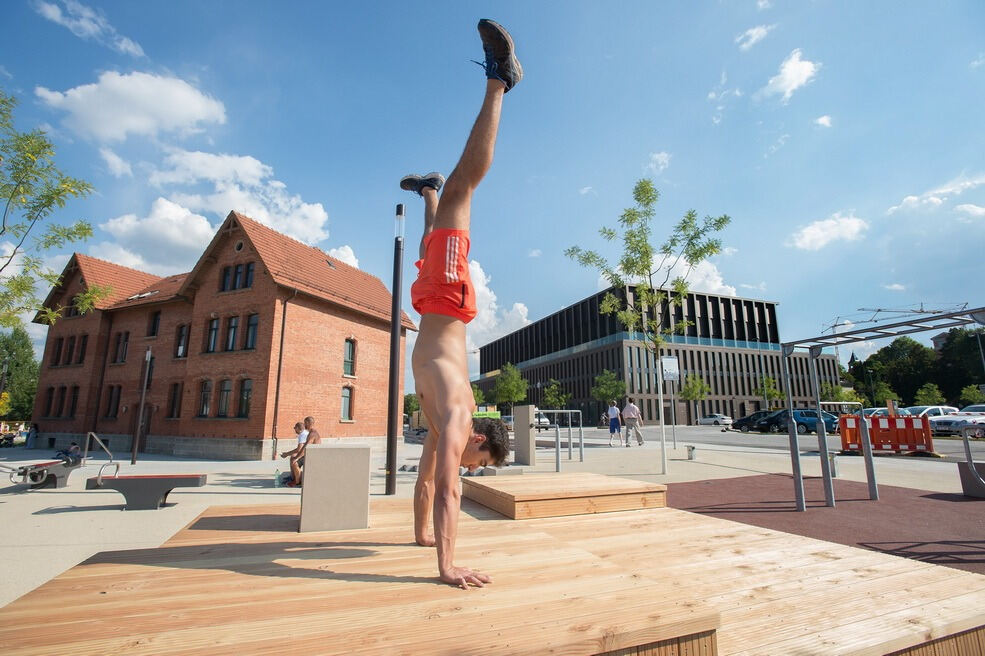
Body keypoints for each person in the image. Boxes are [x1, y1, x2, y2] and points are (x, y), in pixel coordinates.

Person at [403, 18, 518, 590]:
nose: (472, 472)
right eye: (481, 464)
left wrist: (424, 537)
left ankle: (427, 187)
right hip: (448, 300)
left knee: (433, 225)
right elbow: (450, 488)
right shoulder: (458, 416)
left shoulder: (437, 424)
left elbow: (427, 484)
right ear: (478, 442)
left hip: (432, 301)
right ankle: (501, 80)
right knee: (461, 192)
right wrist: (447, 566)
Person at [279, 416, 321, 487]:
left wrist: (297, 458)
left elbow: (305, 448)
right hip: (311, 454)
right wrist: (296, 456)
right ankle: (295, 478)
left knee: (294, 462)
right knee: (294, 458)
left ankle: (297, 482)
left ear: (308, 423)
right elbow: (303, 448)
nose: (304, 425)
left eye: (305, 423)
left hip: (313, 456)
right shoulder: (311, 432)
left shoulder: (312, 434)